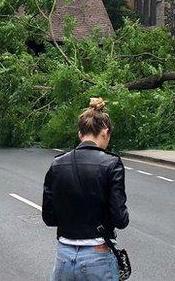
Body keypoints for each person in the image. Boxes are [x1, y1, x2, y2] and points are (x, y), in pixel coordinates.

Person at [42, 98, 129, 280]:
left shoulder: (57, 164)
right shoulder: (112, 164)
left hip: (64, 256)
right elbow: (120, 219)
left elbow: (49, 217)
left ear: (80, 134)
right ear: (105, 132)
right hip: (98, 255)